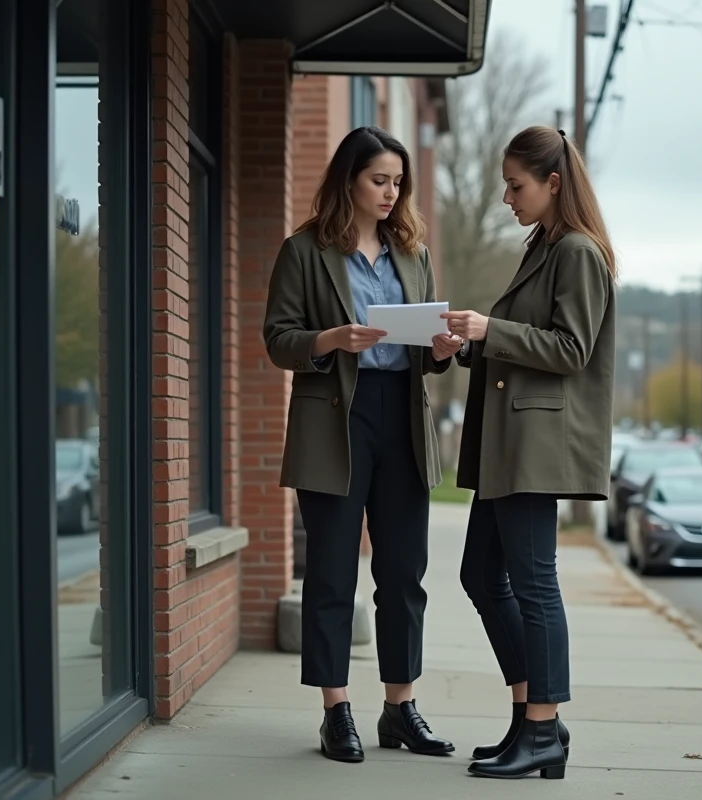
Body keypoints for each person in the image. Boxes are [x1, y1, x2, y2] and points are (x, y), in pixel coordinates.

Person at [263, 126, 464, 764]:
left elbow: (426, 351)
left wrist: (439, 350)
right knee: (329, 572)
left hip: (400, 417)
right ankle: (335, 710)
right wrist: (329, 340)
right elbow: (278, 339)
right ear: (349, 178)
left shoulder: (412, 251)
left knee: (403, 572)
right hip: (334, 418)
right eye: (380, 180)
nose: (390, 193)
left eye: (398, 182)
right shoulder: (304, 250)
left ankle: (400, 708)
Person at [442, 126, 617, 780]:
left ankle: (542, 726)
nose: (507, 197)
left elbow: (571, 350)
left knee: (533, 583)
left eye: (516, 186)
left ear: (552, 183)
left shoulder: (578, 252)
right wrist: (466, 344)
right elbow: (526, 341)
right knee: (482, 576)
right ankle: (532, 718)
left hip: (536, 446)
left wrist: (491, 329)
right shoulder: (543, 247)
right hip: (508, 444)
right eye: (506, 185)